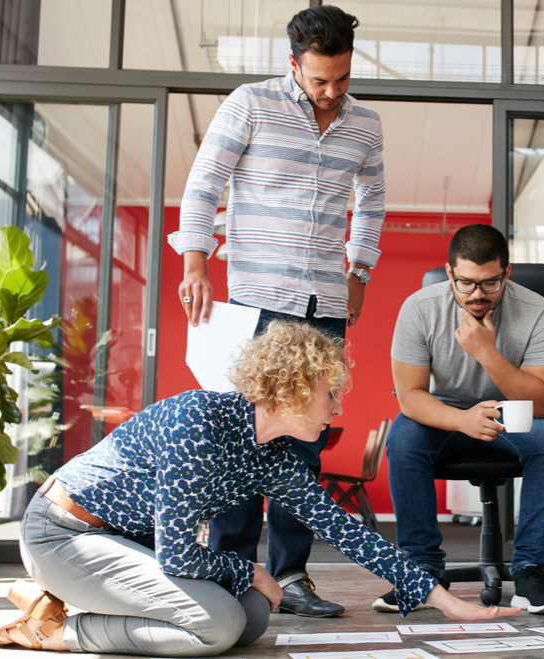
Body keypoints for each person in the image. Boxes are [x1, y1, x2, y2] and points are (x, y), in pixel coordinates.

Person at [0, 322, 518, 656]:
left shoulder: (275, 457)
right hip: (63, 534)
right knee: (217, 625)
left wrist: (445, 601)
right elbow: (177, 554)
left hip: (127, 546)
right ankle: (55, 631)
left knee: (254, 618)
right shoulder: (199, 422)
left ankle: (59, 601)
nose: (337, 408)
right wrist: (254, 569)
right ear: (288, 391)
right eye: (329, 394)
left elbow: (348, 532)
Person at [167, 5, 383, 618]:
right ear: (293, 66)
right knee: (243, 436)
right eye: (320, 80)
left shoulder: (365, 125)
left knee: (305, 443)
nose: (332, 92)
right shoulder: (249, 104)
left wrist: (359, 269)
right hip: (255, 299)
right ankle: (235, 571)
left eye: (342, 78)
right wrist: (194, 262)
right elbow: (205, 183)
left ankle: (292, 576)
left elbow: (371, 202)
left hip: (325, 302)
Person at [375, 224, 544, 615]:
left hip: (510, 410)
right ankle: (421, 569)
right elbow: (411, 397)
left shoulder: (536, 309)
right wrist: (462, 420)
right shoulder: (419, 308)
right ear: (449, 273)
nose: (478, 294)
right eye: (465, 283)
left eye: (490, 283)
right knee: (404, 439)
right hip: (445, 413)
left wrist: (487, 353)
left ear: (506, 273)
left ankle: (531, 570)